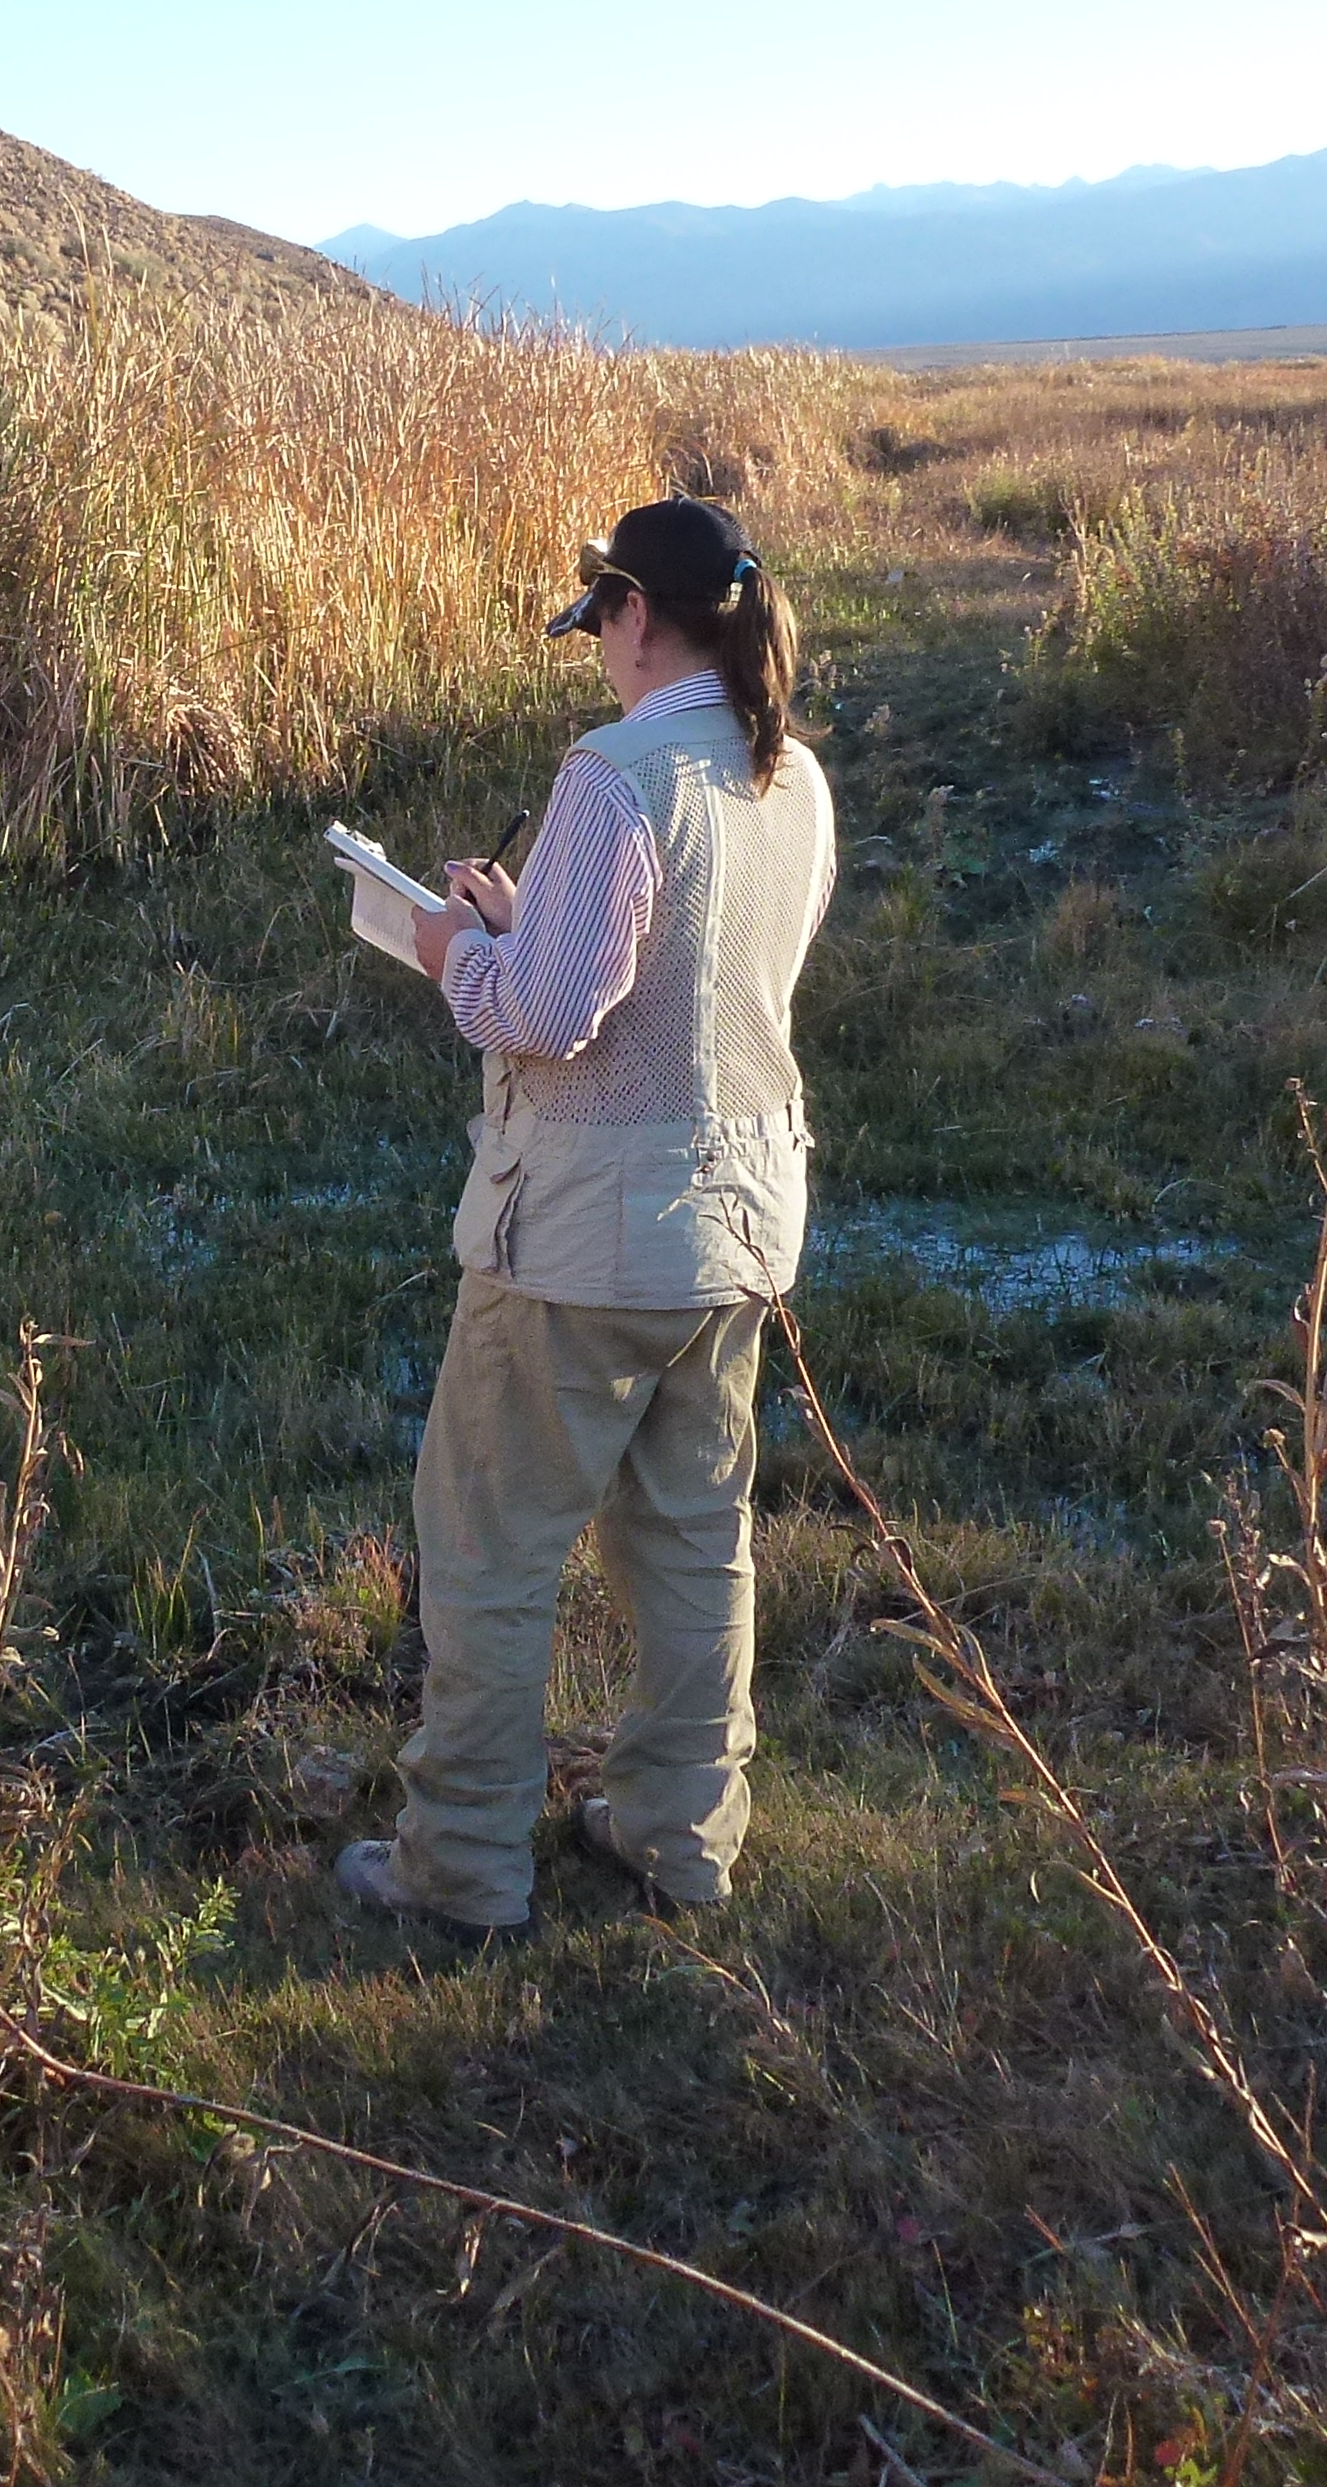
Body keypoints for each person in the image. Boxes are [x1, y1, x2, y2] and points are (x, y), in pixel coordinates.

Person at [337, 495, 835, 1934]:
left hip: (577, 1242)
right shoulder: (789, 773)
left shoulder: (614, 775)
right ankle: (682, 1838)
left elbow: (553, 1015)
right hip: (738, 1230)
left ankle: (462, 1867)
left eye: (601, 625)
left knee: (490, 1553)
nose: (600, 653)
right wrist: (527, 923)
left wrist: (454, 947)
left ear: (633, 615)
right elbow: (701, 977)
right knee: (694, 1543)